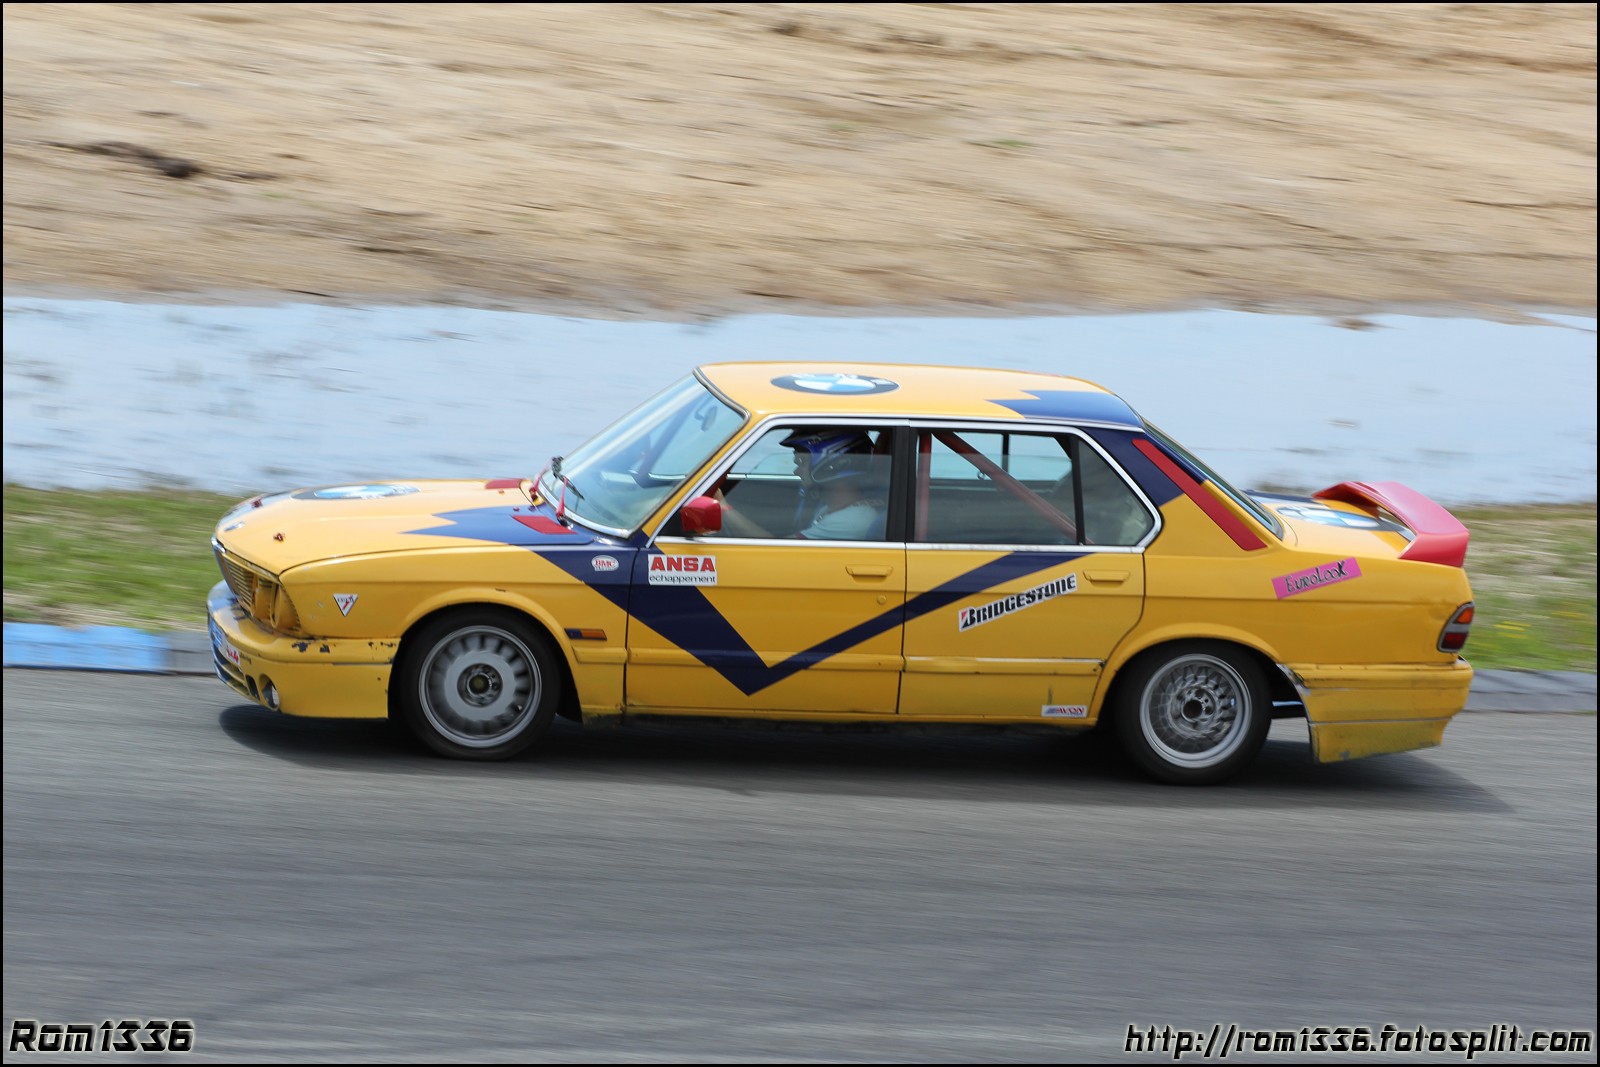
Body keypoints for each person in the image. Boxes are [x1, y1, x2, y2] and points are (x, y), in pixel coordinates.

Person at [714, 429, 887, 540]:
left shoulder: (849, 521)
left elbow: (774, 552)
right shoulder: (837, 509)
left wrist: (722, 506)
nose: (796, 472)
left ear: (832, 465)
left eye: (801, 463)